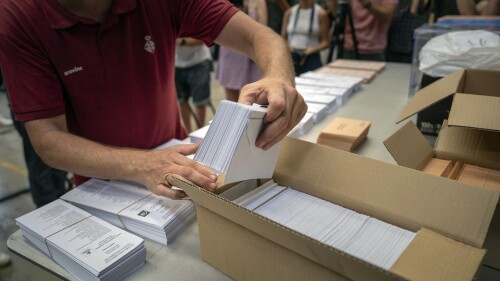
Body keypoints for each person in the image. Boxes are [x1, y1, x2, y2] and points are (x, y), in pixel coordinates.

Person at [0, 0, 307, 200]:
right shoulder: (18, 15)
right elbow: (48, 140)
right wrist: (141, 164)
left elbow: (260, 37)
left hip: (178, 166)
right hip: (104, 186)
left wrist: (279, 78)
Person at [216, 0, 268, 102]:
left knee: (252, 100)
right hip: (229, 53)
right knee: (232, 102)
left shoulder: (259, 2)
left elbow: (263, 30)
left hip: (250, 55)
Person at [282, 0, 330, 75]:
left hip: (311, 56)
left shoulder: (321, 13)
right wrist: (288, 46)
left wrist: (310, 50)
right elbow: (282, 38)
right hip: (292, 55)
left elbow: (326, 42)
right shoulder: (289, 12)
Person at [175, 38, 212, 132]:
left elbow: (204, 38)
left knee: (200, 102)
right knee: (182, 101)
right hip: (176, 62)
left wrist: (181, 41)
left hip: (199, 61)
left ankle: (199, 134)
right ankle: (188, 133)